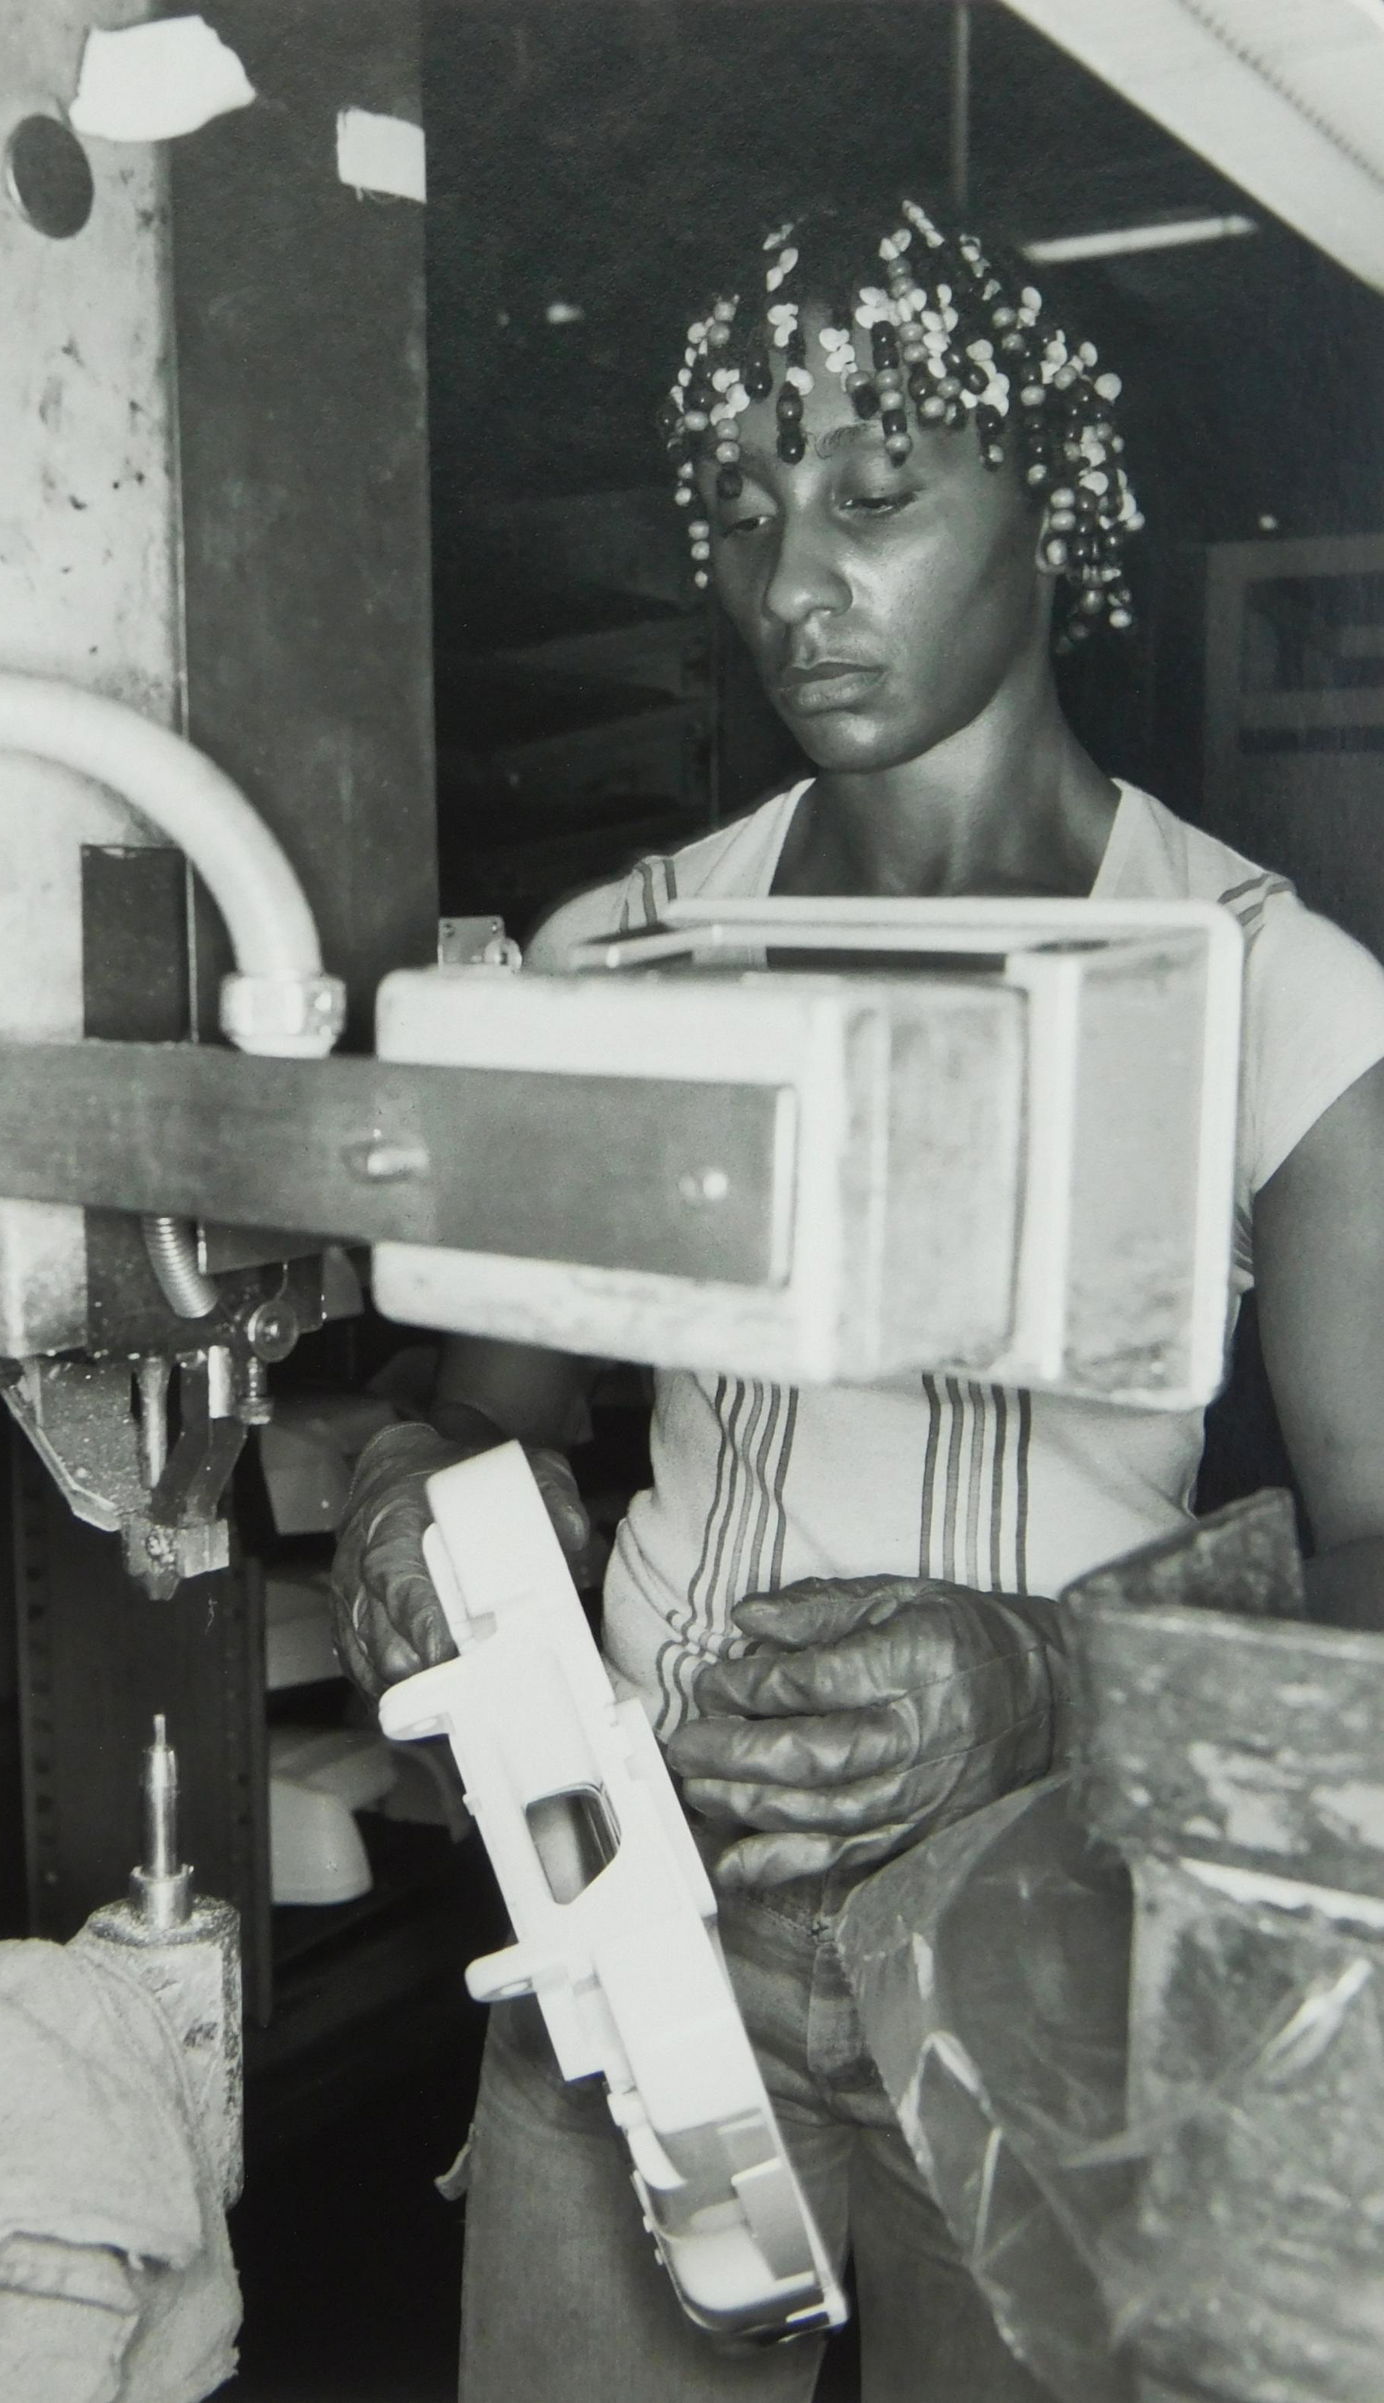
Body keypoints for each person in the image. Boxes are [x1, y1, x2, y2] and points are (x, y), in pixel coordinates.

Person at [333, 197, 1384, 2401]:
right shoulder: (622, 950)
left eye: (873, 495)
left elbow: (1378, 1554)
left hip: (1032, 1943)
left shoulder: (1277, 995)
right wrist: (412, 1512)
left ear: (1054, 504)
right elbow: (480, 1404)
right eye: (739, 507)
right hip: (630, 1907)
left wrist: (1030, 1673)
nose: (787, 578)